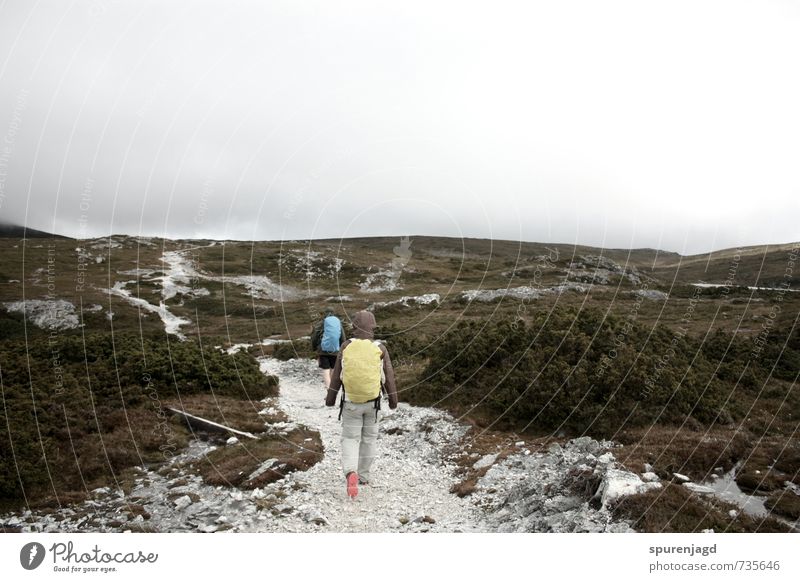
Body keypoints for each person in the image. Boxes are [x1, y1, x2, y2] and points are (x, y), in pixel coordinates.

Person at [325, 310, 398, 499]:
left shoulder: (346, 346)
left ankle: (351, 473)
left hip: (350, 403)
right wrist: (393, 401)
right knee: (369, 439)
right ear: (372, 328)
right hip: (373, 404)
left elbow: (336, 377)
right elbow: (389, 377)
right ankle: (364, 476)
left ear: (354, 327)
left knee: (350, 438)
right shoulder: (380, 348)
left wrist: (330, 399)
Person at [311, 308, 345, 389]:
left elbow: (314, 336)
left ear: (324, 314)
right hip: (335, 350)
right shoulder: (338, 323)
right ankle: (333, 390)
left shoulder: (321, 323)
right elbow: (342, 337)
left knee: (325, 370)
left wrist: (314, 348)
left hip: (323, 351)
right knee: (333, 369)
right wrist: (341, 349)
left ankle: (328, 390)